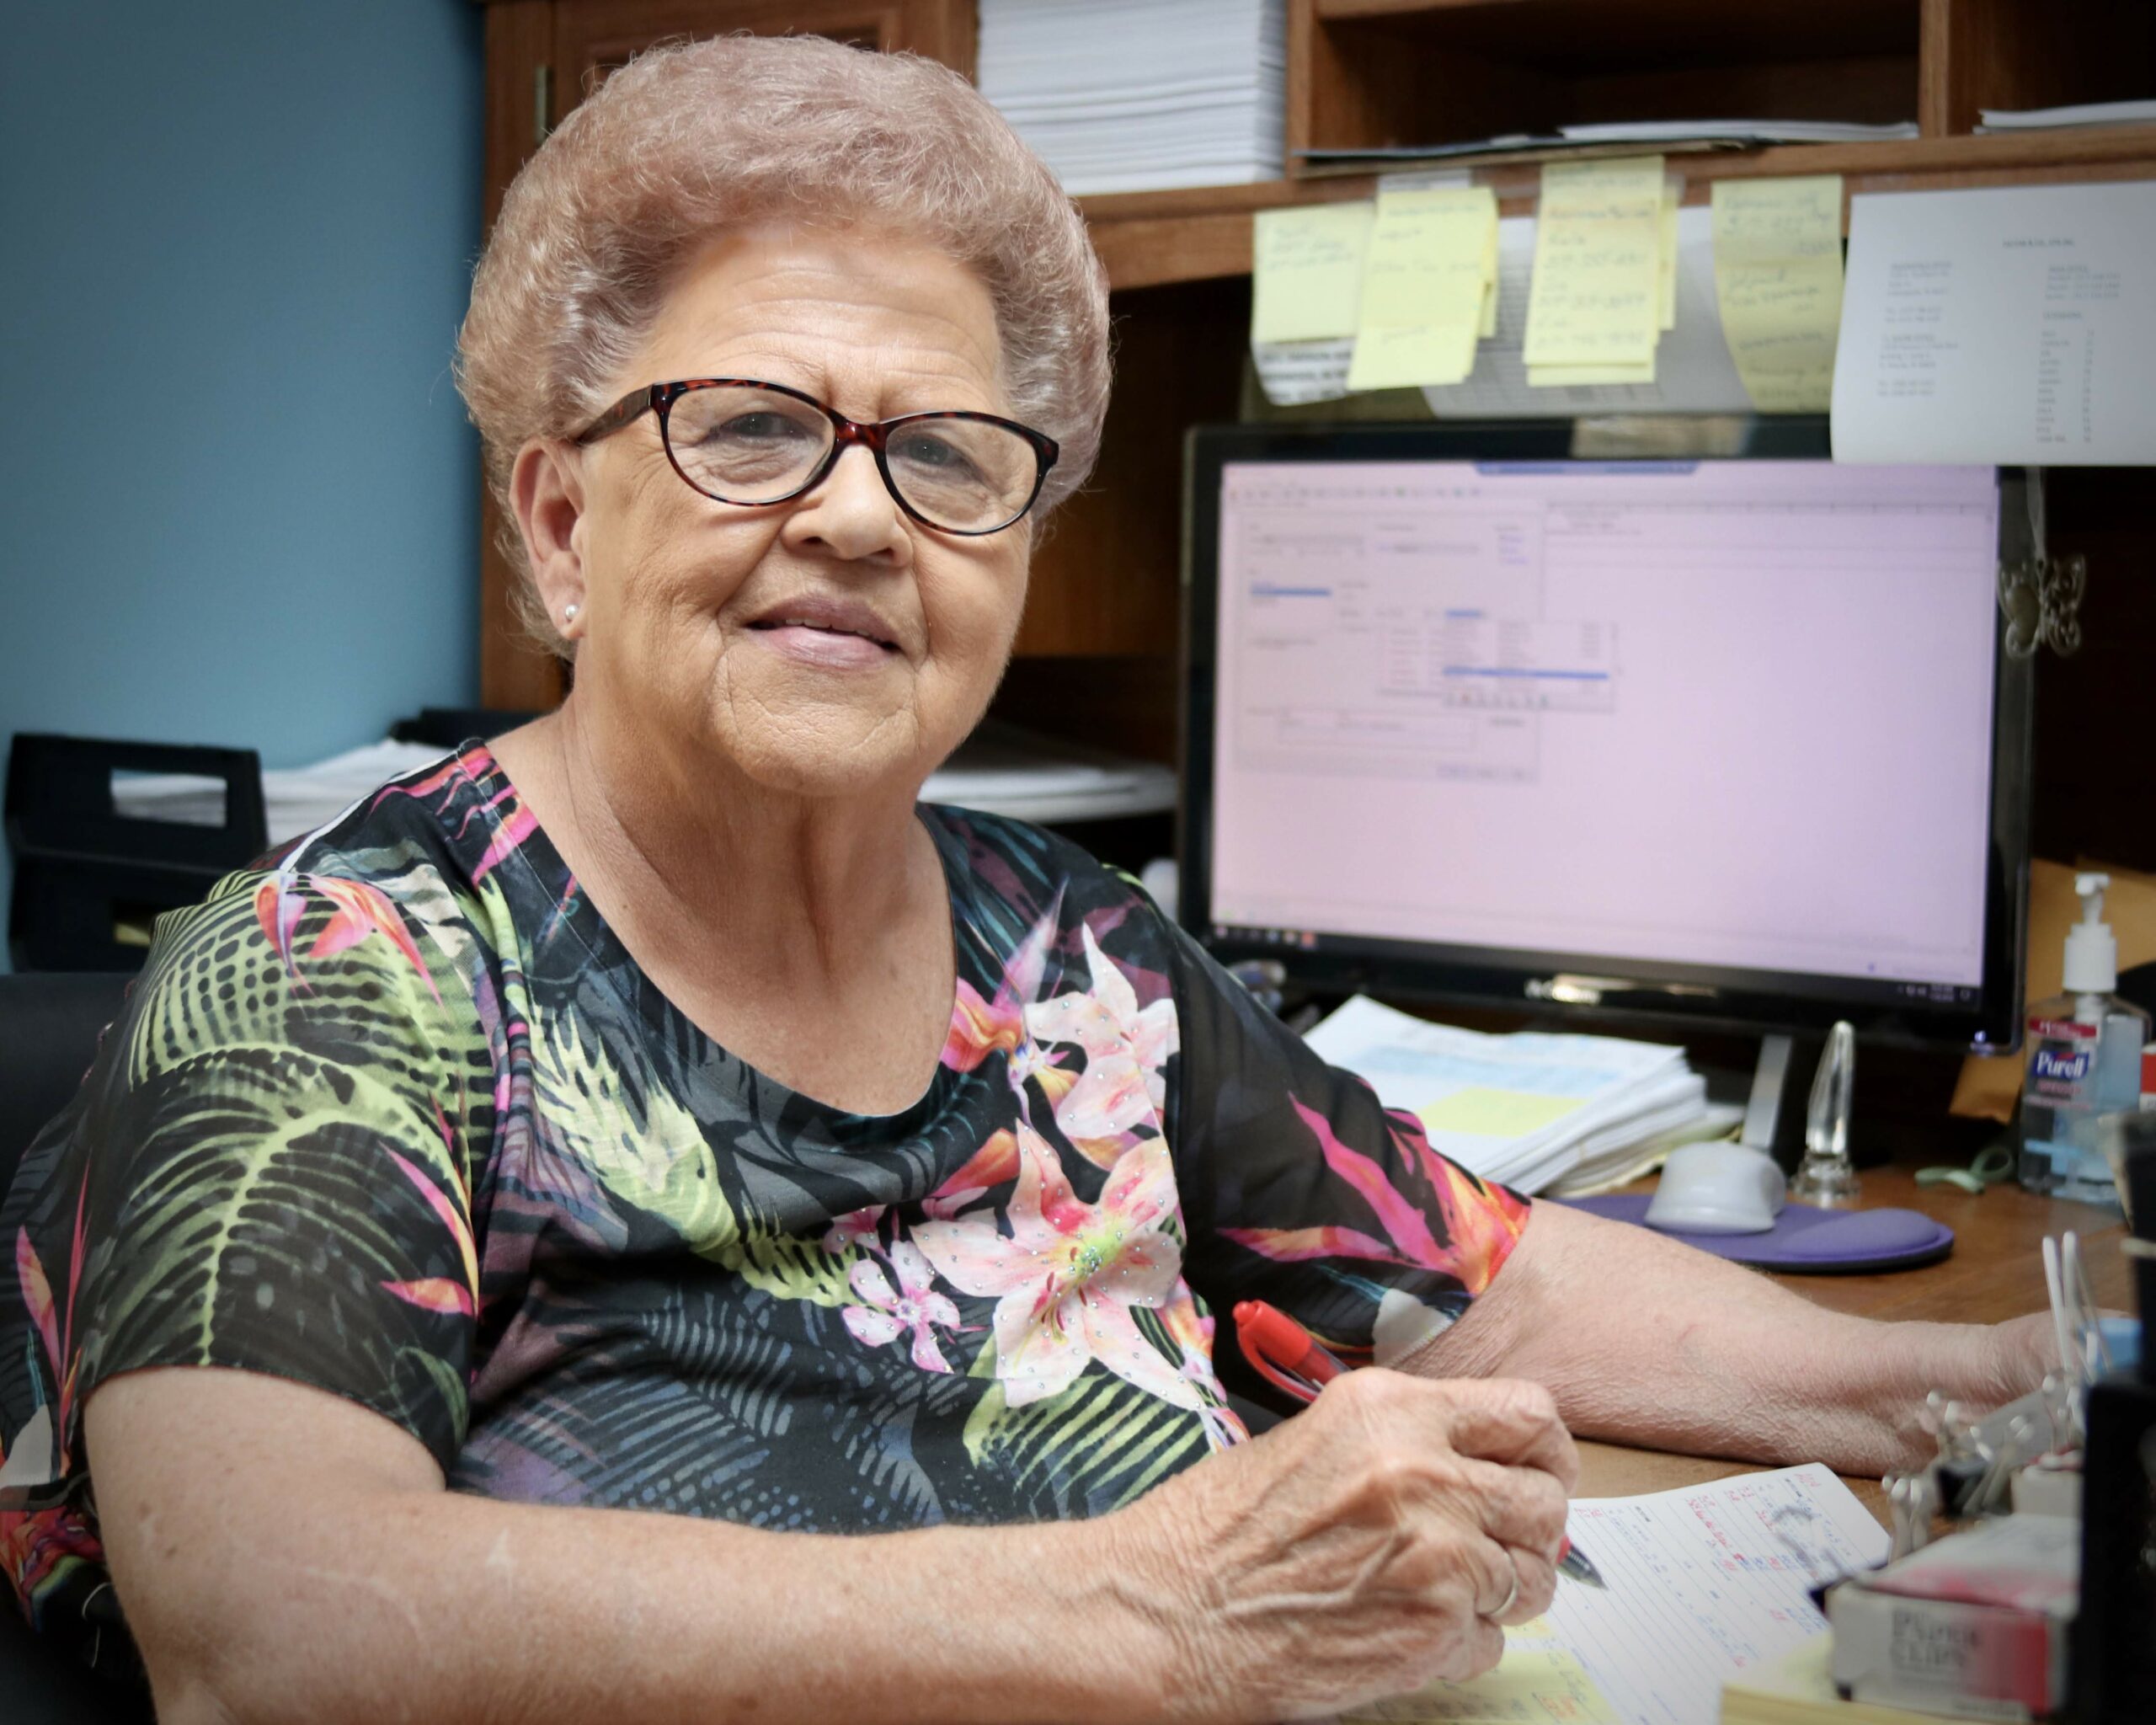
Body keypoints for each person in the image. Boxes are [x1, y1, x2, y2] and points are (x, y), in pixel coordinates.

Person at [0, 35, 2050, 1725]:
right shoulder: (330, 978)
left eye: (949, 457)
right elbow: (279, 1630)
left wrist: (1998, 1390)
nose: (856, 519)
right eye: (748, 429)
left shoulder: (1068, 951)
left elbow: (1476, 1281)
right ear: (555, 522)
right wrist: (1154, 1613)